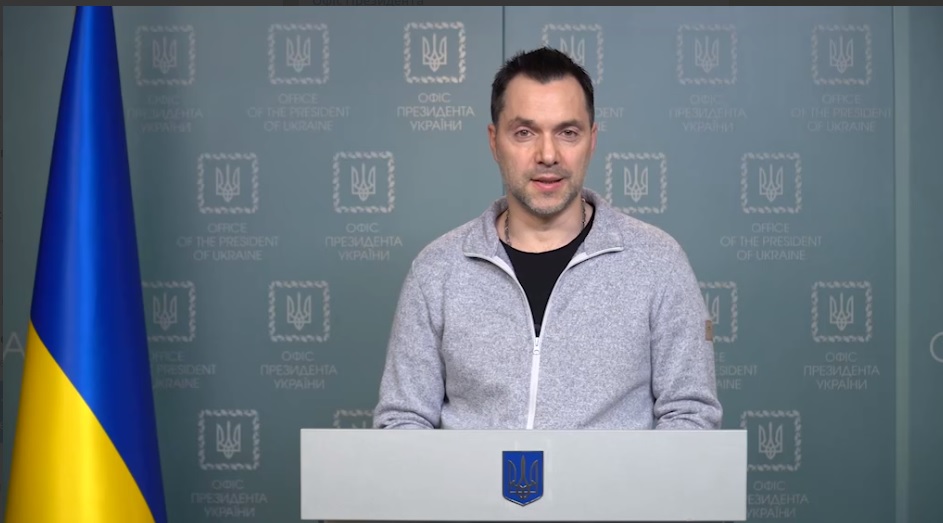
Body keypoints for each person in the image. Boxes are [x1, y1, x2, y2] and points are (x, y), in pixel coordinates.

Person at [372, 47, 722, 430]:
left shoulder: (658, 262)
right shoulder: (436, 270)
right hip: (469, 475)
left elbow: (691, 415)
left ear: (592, 140)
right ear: (494, 141)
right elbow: (403, 420)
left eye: (568, 133)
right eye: (524, 133)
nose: (548, 154)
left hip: (613, 475)